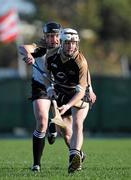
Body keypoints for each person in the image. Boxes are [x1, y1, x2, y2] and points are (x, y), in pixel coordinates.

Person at [45, 28, 96, 173]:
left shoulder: (81, 61)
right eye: (67, 43)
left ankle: (74, 157)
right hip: (61, 92)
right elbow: (46, 74)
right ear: (61, 43)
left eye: (73, 43)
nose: (71, 46)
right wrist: (49, 88)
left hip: (78, 94)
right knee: (66, 134)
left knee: (77, 124)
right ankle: (78, 153)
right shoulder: (51, 55)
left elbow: (80, 92)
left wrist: (67, 106)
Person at [18, 22, 61, 172]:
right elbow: (22, 47)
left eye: (55, 35)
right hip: (40, 87)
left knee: (66, 133)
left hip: (60, 88)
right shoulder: (41, 48)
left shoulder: (67, 49)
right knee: (42, 121)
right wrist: (29, 55)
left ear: (60, 35)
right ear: (45, 37)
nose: (53, 39)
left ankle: (74, 152)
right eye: (49, 36)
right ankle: (36, 164)